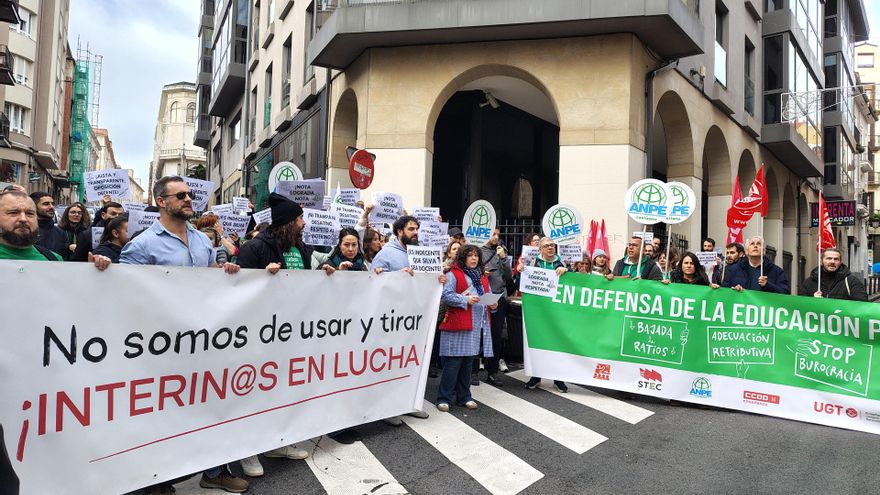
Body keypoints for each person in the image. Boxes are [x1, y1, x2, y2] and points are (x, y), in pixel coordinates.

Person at [119, 176, 247, 493]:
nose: (189, 199)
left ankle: (214, 470)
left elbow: (208, 284)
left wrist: (224, 273)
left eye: (190, 194)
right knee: (164, 415)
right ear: (161, 201)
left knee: (211, 406)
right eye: (181, 195)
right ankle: (157, 481)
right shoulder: (142, 245)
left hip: (202, 344)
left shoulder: (203, 242)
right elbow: (122, 295)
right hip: (162, 349)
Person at [437, 244, 497, 411]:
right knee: (453, 363)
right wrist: (465, 300)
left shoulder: (482, 277)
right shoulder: (453, 274)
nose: (474, 258)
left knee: (468, 363)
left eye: (476, 255)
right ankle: (444, 397)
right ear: (463, 258)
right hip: (458, 323)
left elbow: (488, 297)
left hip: (476, 325)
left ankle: (464, 396)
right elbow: (446, 295)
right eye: (470, 255)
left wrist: (493, 305)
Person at [0, 189, 110, 270]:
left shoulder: (53, 258)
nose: (23, 219)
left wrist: (91, 270)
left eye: (30, 213)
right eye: (13, 213)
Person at [516, 237, 570, 392]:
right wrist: (520, 271)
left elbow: (573, 283)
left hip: (558, 311)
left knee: (558, 344)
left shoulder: (562, 263)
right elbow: (521, 284)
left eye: (552, 245)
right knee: (538, 343)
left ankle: (558, 378)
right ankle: (536, 376)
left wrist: (567, 272)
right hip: (538, 311)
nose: (551, 248)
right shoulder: (533, 264)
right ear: (540, 249)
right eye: (547, 246)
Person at [237, 193, 315, 273]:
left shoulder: (302, 248)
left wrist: (323, 271)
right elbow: (244, 282)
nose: (304, 222)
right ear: (290, 222)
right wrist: (264, 273)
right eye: (301, 218)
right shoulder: (254, 248)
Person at [478, 228, 513, 387]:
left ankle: (492, 372)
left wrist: (504, 258)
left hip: (499, 297)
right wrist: (482, 272)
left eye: (498, 235)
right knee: (478, 334)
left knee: (496, 336)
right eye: (493, 234)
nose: (496, 237)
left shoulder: (501, 251)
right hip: (483, 296)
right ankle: (473, 371)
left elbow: (508, 275)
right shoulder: (478, 251)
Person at [722, 236, 789, 294]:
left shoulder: (776, 271)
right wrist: (734, 290)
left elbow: (785, 293)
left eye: (759, 244)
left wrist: (768, 285)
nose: (755, 246)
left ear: (764, 251)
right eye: (752, 244)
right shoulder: (733, 269)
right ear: (746, 251)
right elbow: (724, 291)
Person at [799, 248, 868, 301]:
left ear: (840, 262)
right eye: (829, 258)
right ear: (821, 261)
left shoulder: (851, 282)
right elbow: (800, 305)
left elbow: (862, 305)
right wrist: (812, 300)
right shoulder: (809, 282)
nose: (832, 262)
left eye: (836, 259)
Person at [29, 192, 67, 257]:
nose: (51, 207)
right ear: (34, 207)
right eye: (46, 204)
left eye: (52, 204)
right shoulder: (26, 230)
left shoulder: (60, 233)